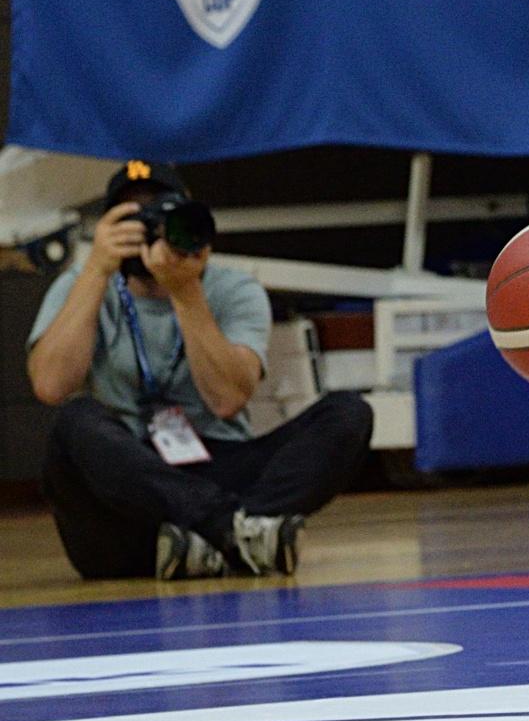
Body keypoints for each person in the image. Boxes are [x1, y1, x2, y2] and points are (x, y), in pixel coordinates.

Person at [25, 163, 372, 580]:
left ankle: (214, 539)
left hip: (218, 460)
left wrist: (185, 290)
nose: (150, 232)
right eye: (134, 219)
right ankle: (233, 533)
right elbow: (50, 385)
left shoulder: (234, 289)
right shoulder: (81, 284)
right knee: (74, 420)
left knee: (349, 413)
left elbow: (227, 399)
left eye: (162, 216)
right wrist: (97, 270)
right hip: (129, 483)